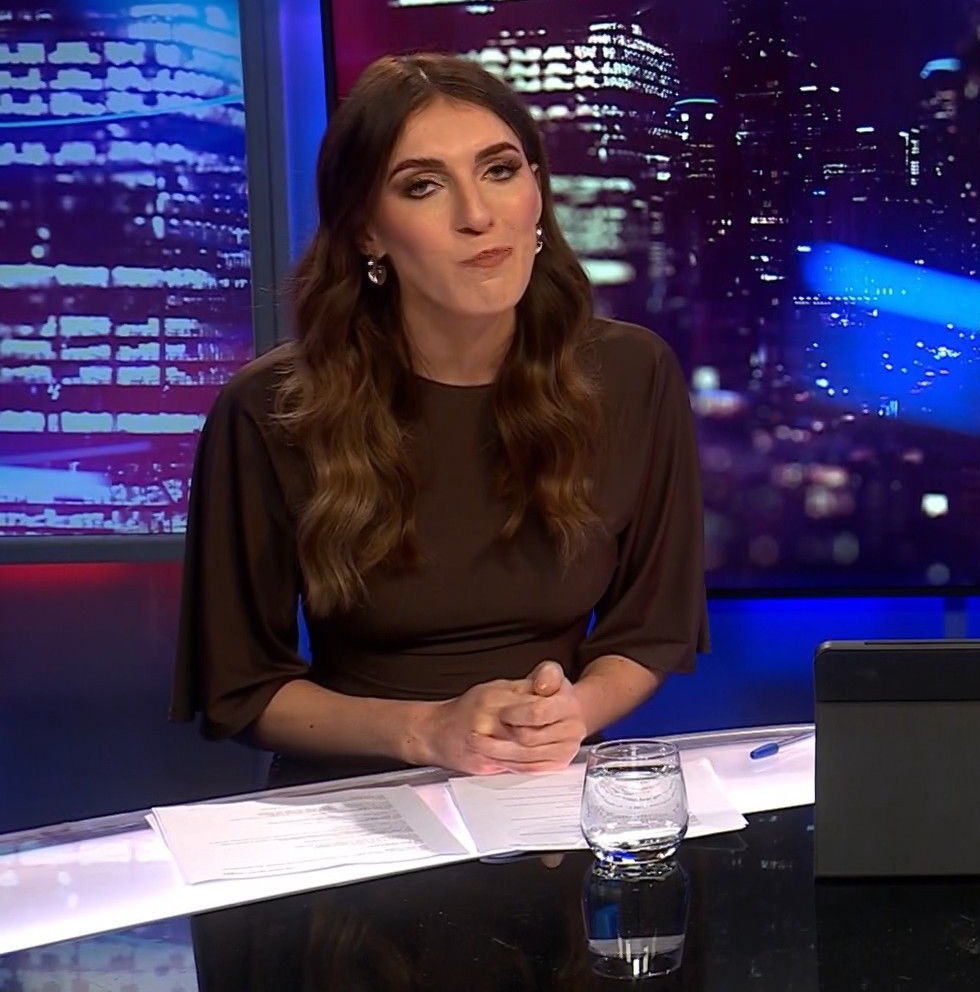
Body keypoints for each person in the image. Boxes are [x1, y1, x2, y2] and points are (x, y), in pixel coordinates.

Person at [170, 54, 707, 782]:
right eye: (424, 185)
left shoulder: (632, 374)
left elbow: (651, 628)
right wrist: (427, 731)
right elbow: (242, 691)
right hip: (357, 805)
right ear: (367, 232)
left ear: (537, 191)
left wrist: (571, 713)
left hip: (548, 792)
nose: (477, 216)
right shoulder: (270, 409)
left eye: (500, 170)